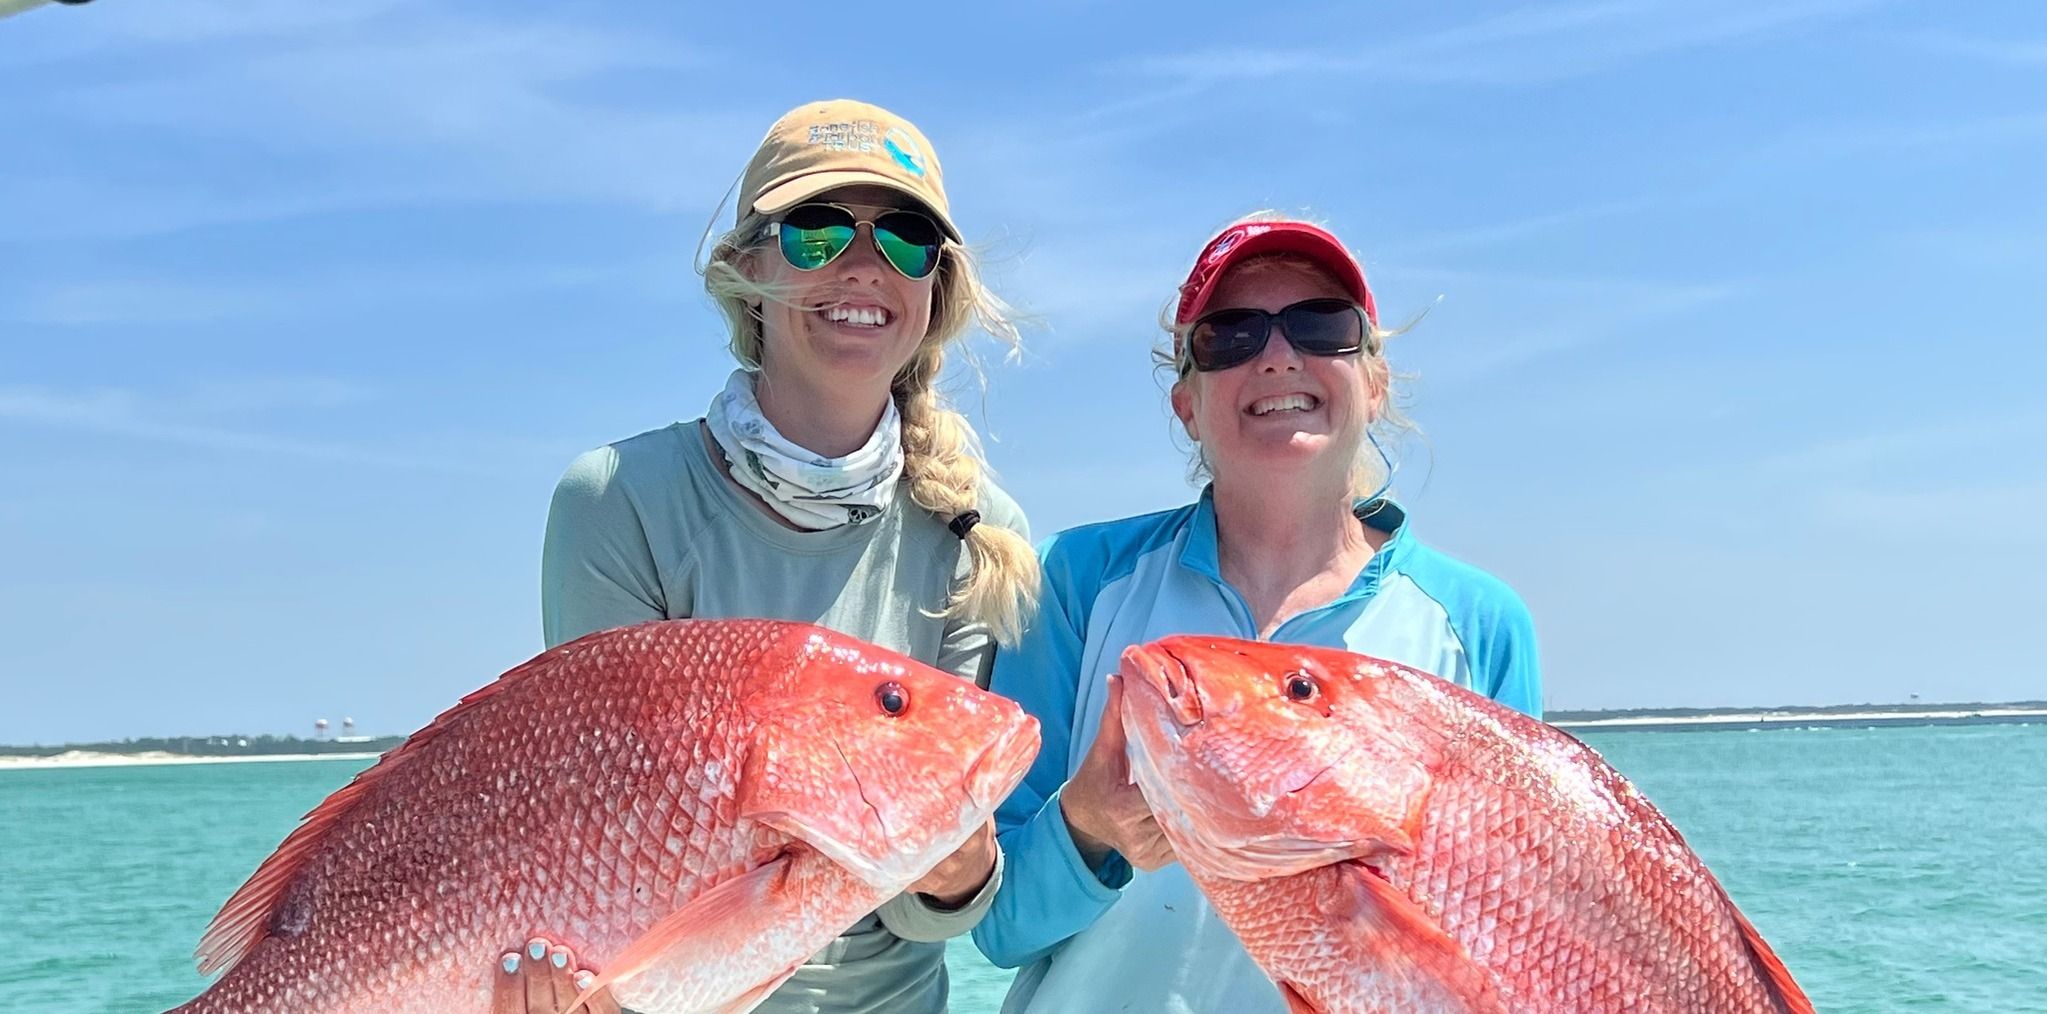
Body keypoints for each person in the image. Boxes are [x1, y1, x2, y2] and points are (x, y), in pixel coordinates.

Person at [493, 98, 1039, 1014]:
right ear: (747, 268)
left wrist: (959, 868)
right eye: (819, 229)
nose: (865, 263)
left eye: (906, 238)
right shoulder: (619, 497)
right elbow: (597, 835)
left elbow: (928, 922)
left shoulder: (982, 532)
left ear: (935, 286)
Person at [972, 214, 1543, 1012]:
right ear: (1185, 405)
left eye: (1319, 326)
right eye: (1229, 336)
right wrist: (1088, 829)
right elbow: (994, 926)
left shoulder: (1479, 624)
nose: (1276, 354)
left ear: (1374, 382)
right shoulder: (1073, 579)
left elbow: (1515, 938)